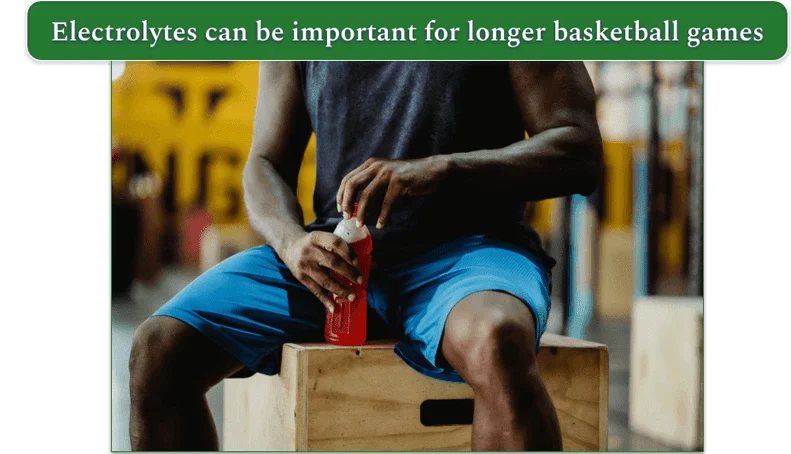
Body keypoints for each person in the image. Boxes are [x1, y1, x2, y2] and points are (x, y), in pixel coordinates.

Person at [129, 61, 603, 451]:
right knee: (159, 351)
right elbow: (265, 162)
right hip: (337, 258)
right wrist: (292, 242)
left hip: (471, 253)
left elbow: (578, 149)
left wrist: (444, 169)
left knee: (497, 341)